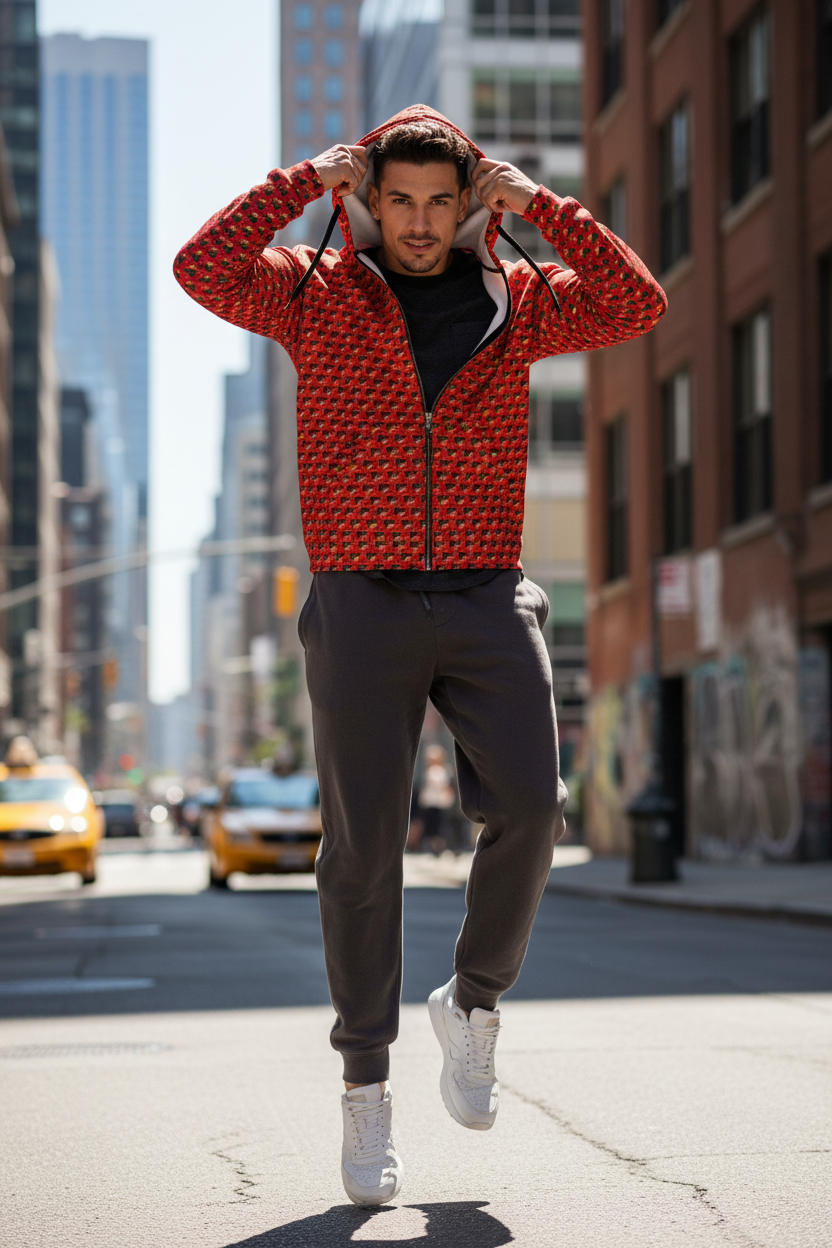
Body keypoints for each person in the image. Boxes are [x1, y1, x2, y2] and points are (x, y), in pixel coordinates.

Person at [175, 104, 666, 1207]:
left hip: (489, 588)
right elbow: (199, 267)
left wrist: (537, 205)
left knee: (535, 807)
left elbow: (638, 301)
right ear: (367, 198)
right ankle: (365, 1086)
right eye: (398, 198)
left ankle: (474, 1002)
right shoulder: (310, 288)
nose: (419, 222)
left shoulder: (519, 298)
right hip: (360, 598)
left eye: (442, 202)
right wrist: (300, 177)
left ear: (467, 203)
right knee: (363, 857)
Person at [418, 743, 456, 854]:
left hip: (437, 804)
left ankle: (438, 847)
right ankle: (435, 847)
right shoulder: (442, 771)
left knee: (437, 828)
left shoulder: (436, 772)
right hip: (434, 804)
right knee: (435, 827)